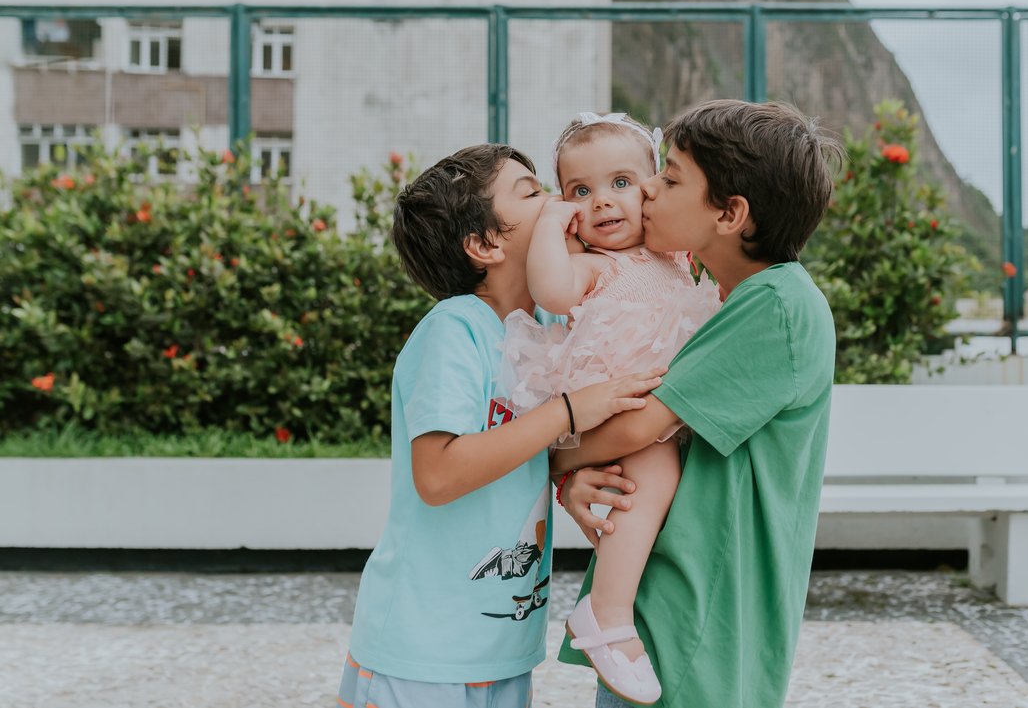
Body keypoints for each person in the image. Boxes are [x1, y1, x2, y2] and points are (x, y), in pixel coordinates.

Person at [336, 144, 666, 708]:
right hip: (423, 651)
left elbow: (517, 449)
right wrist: (566, 412)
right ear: (487, 244)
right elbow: (439, 475)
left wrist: (565, 479)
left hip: (504, 648)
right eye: (532, 192)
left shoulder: (543, 331)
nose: (561, 201)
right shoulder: (454, 329)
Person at [553, 100, 840, 708]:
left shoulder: (777, 304)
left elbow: (641, 429)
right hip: (670, 600)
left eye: (671, 178)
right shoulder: (720, 295)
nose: (648, 189)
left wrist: (549, 462)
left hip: (701, 616)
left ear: (731, 214)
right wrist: (573, 473)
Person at [496, 113, 722, 704]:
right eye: (580, 192)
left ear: (652, 186)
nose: (602, 202)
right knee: (654, 474)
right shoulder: (596, 265)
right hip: (609, 406)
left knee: (654, 493)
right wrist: (550, 224)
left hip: (650, 407)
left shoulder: (673, 256)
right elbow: (550, 291)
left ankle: (620, 605)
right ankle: (607, 616)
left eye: (621, 183)